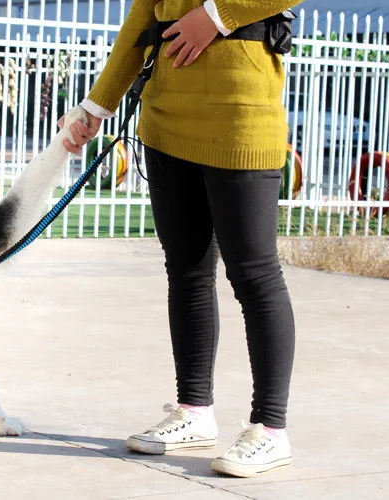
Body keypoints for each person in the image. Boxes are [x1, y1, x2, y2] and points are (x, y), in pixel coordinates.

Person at [59, 0, 300, 478]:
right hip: (165, 120)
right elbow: (142, 17)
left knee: (254, 275)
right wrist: (97, 104)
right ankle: (193, 410)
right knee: (187, 269)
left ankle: (270, 430)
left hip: (241, 115)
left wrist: (216, 15)